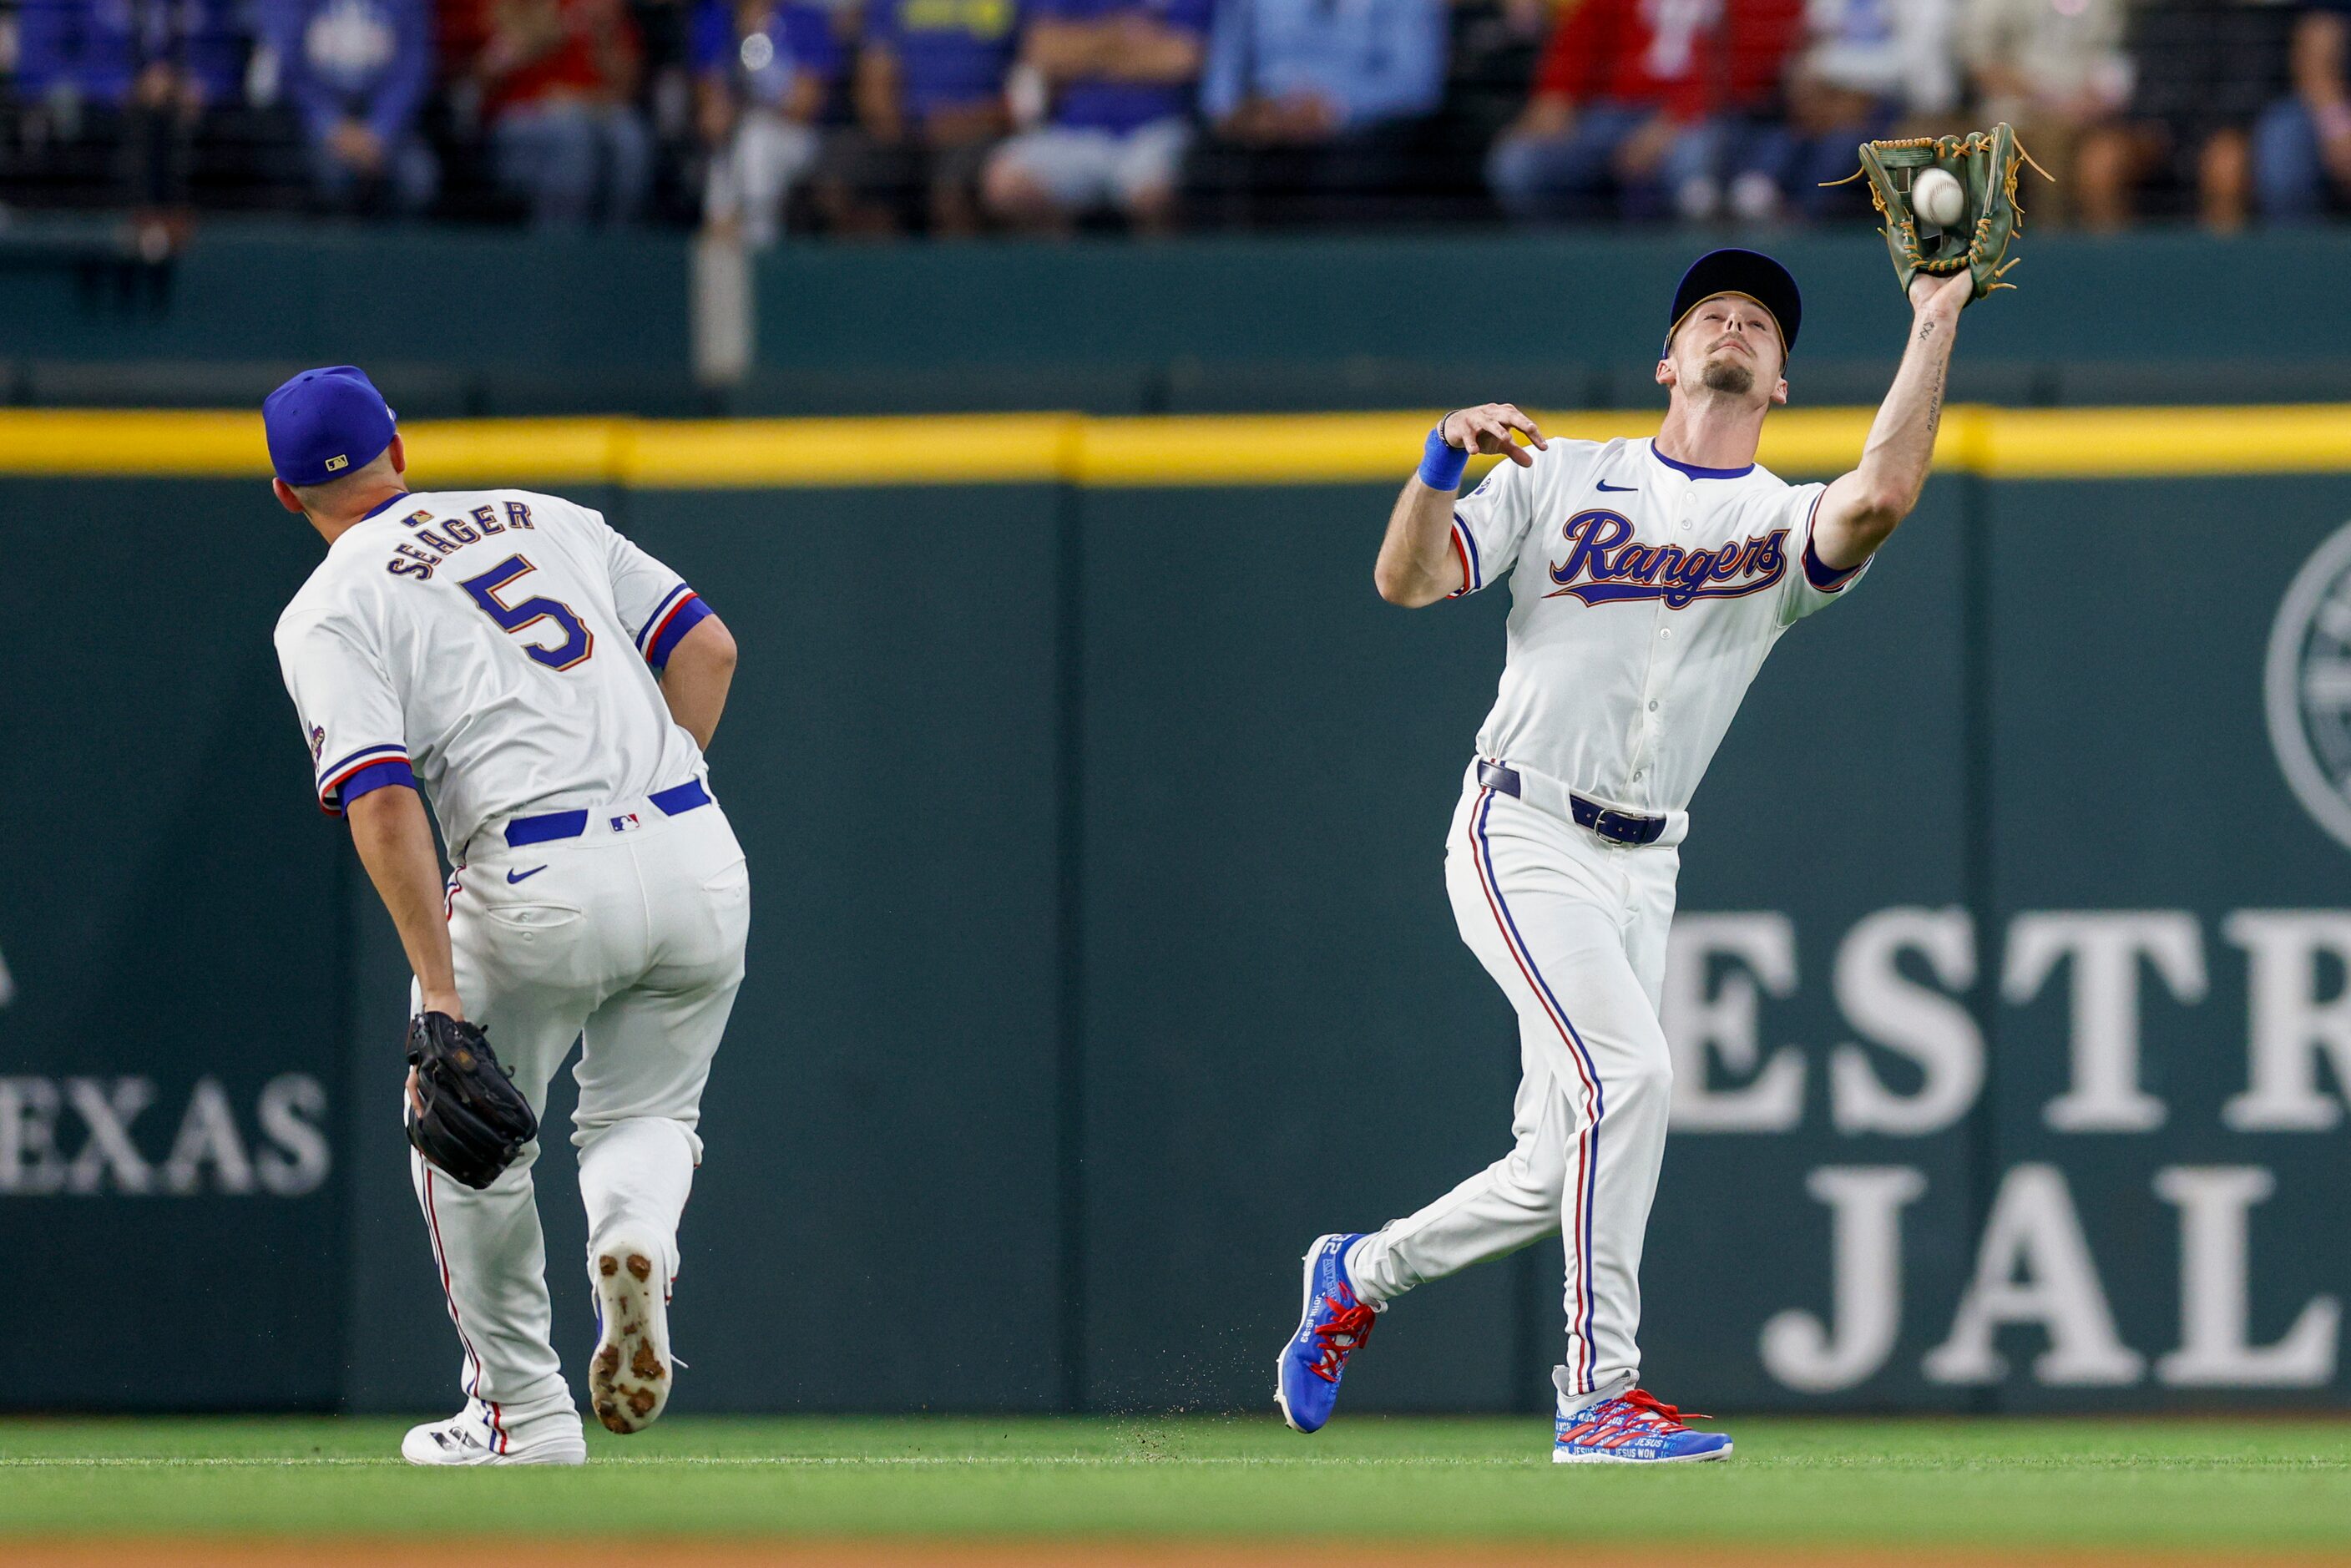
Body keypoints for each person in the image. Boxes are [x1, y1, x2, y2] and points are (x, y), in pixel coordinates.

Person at [1275, 250, 1974, 1462]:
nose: (1735, 323)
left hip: (1646, 864)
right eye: (1713, 310)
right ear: (1668, 358)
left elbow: (1885, 493)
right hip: (1523, 824)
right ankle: (1600, 1392)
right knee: (1632, 1079)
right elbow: (1402, 579)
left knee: (1560, 1163)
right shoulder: (1560, 479)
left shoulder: (1778, 522)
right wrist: (1441, 462)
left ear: (1780, 382)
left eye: (1759, 321)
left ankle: (1356, 1274)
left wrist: (1937, 315)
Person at [265, 367, 748, 1464]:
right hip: (693, 845)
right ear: (402, 445)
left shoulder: (332, 604)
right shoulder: (544, 514)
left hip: (534, 879)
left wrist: (440, 996)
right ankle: (632, 1239)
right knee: (648, 1116)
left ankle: (522, 1414)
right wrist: (649, 807)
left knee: (463, 1138)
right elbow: (709, 648)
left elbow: (383, 794)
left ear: (285, 495)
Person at [1484, 0, 1801, 223]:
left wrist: (1675, 120)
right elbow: (1583, 33)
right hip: (1613, 114)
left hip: (1707, 118)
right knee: (1520, 163)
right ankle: (1577, 267)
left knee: (1692, 166)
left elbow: (1751, 62)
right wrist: (1556, 95)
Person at [1187, 0, 1448, 228]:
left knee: (1343, 174)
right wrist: (1243, 115)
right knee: (1208, 166)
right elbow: (1220, 87)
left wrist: (1334, 108)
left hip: (1362, 130)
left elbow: (1415, 84)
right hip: (1263, 125)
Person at [13, 0, 245, 249]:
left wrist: (194, 86)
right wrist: (120, 87)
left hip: (197, 131)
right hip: (95, 131)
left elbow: (229, 61)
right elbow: (38, 69)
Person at [981, 0, 1211, 233]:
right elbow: (1043, 50)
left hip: (1157, 129)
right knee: (1008, 184)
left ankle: (1159, 269)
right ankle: (1066, 268)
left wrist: (1086, 50)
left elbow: (1182, 59)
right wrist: (1129, 43)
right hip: (1074, 131)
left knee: (1153, 194)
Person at [1731, 0, 1958, 224]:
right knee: (1781, 137)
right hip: (1829, 97)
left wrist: (1845, 84)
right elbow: (1812, 49)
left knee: (1841, 146)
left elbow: (1912, 63)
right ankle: (1759, 197)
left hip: (1897, 104)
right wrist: (1823, 90)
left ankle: (1805, 222)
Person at [2073, 0, 2291, 230]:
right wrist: (2154, 125)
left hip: (2220, 135)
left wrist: (2206, 130)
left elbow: (2251, 97)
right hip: (2156, 136)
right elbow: (2136, 90)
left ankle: (2222, 262)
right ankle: (2113, 264)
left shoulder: (2251, 23)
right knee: (2100, 159)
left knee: (2226, 162)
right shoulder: (2154, 22)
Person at [817, 0, 1019, 235]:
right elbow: (874, 79)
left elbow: (1029, 85)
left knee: (952, 190)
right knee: (840, 179)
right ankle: (882, 271)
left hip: (984, 132)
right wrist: (901, 129)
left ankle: (961, 270)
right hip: (906, 131)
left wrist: (970, 121)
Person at [474, 0, 655, 227]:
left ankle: (620, 244)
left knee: (629, 134)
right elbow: (485, 75)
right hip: (523, 121)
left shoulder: (599, 9)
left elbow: (626, 91)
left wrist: (604, 33)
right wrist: (540, 33)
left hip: (589, 112)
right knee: (573, 136)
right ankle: (559, 248)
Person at [1957, 0, 2131, 225]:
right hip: (2011, 112)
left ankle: (2070, 246)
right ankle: (2039, 242)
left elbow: (2112, 59)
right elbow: (1979, 63)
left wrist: (2099, 96)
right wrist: (2044, 99)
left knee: (2093, 159)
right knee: (2038, 146)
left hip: (2084, 116)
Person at [692, 0, 847, 245]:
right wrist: (719, 114)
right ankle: (723, 233)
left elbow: (804, 105)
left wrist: (749, 110)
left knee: (756, 136)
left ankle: (755, 244)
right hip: (734, 140)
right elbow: (709, 106)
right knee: (741, 143)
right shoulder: (716, 20)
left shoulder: (806, 19)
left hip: (796, 138)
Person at [273, 0, 442, 215]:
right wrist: (332, 126)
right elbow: (291, 66)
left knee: (418, 179)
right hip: (315, 126)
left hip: (389, 127)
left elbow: (412, 68)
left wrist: (380, 132)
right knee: (331, 176)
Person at [2252, 0, 2351, 222]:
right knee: (2284, 137)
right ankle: (2295, 252)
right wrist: (2338, 127)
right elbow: (2315, 53)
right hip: (2337, 107)